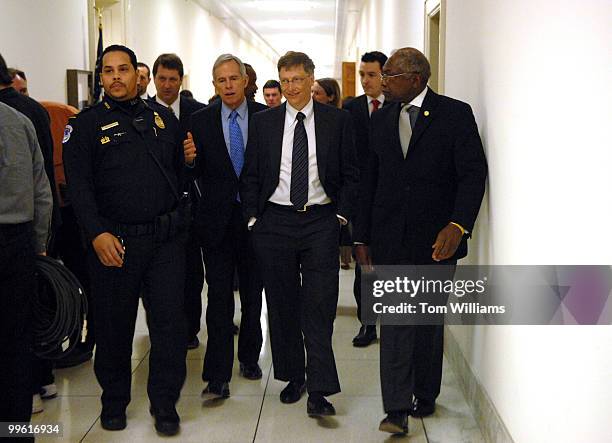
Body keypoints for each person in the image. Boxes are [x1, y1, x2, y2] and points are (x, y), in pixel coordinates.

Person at [353, 47, 487, 435]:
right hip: (391, 237)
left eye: (388, 75)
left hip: (437, 241)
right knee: (396, 324)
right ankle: (395, 409)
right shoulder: (380, 121)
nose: (381, 82)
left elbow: (473, 174)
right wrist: (361, 236)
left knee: (426, 322)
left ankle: (424, 394)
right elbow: (369, 182)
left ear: (415, 79)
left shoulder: (454, 114)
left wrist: (459, 225)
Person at [63, 44, 188, 436]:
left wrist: (190, 161)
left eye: (123, 69)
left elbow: (180, 179)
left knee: (169, 327)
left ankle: (165, 403)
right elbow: (79, 188)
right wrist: (97, 233)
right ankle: (114, 401)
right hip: (114, 244)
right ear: (100, 77)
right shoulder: (83, 127)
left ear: (138, 74)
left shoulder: (164, 120)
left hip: (165, 243)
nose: (115, 77)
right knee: (114, 328)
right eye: (108, 71)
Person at [241, 51, 359, 417]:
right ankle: (294, 376)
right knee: (282, 303)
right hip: (274, 223)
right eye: (285, 80)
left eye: (297, 80)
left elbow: (354, 172)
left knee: (320, 305)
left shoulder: (337, 121)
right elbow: (251, 175)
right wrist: (252, 219)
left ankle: (320, 390)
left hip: (320, 221)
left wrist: (339, 216)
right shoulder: (264, 123)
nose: (290, 87)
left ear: (312, 80)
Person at [183, 53, 267, 401]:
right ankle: (216, 375)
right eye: (222, 80)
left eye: (234, 78)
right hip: (216, 222)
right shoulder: (199, 121)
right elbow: (192, 172)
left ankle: (249, 357)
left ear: (246, 80)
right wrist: (189, 161)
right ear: (214, 84)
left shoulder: (268, 117)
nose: (229, 85)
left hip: (256, 220)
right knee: (217, 299)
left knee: (252, 294)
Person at [0, 100, 52, 442]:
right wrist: (38, 246)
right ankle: (16, 433)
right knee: (15, 342)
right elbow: (41, 193)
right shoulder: (18, 122)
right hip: (15, 243)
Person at [150, 53, 206, 349]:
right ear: (153, 79)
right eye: (162, 79)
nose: (167, 85)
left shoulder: (198, 113)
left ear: (181, 80)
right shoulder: (142, 113)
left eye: (173, 79)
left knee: (191, 274)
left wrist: (191, 161)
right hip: (156, 209)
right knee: (159, 277)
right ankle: (163, 327)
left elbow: (207, 161)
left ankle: (190, 329)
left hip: (191, 208)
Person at [343, 50, 390, 347]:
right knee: (365, 266)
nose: (365, 80)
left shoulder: (399, 107)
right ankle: (367, 323)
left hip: (393, 200)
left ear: (385, 76)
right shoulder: (352, 110)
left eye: (371, 74)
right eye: (362, 74)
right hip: (362, 201)